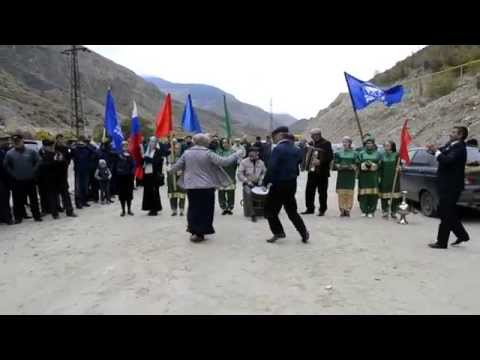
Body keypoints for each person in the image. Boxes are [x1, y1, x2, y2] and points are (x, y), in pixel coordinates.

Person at [168, 133, 243, 243]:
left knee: (193, 208)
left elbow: (176, 167)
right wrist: (237, 154)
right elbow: (224, 162)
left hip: (192, 186)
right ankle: (201, 232)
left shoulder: (187, 153)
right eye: (208, 141)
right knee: (206, 210)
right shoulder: (208, 153)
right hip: (206, 187)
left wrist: (170, 170)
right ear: (204, 142)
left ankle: (193, 230)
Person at [263, 127, 309, 244]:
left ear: (279, 136)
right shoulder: (296, 148)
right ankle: (304, 233)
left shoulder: (278, 149)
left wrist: (265, 182)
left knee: (269, 210)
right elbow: (299, 162)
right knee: (291, 210)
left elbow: (271, 167)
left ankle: (278, 232)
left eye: (274, 137)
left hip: (278, 184)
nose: (273, 139)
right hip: (291, 183)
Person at [427, 126, 470, 249]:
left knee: (445, 213)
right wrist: (431, 150)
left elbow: (447, 160)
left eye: (453, 132)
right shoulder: (450, 145)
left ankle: (442, 242)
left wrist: (436, 152)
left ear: (460, 135)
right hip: (445, 185)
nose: (450, 134)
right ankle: (462, 235)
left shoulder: (460, 147)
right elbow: (440, 152)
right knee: (445, 211)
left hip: (452, 186)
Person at [3, 133, 42, 223]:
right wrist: (12, 173)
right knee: (17, 200)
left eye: (18, 141)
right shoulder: (9, 153)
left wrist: (34, 170)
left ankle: (37, 216)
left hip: (30, 179)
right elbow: (6, 165)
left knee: (33, 199)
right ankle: (18, 217)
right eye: (14, 141)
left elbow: (39, 160)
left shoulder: (31, 151)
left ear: (22, 141)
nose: (16, 143)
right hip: (17, 181)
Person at [37, 139, 76, 219]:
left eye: (52, 146)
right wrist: (54, 162)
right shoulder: (43, 156)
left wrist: (60, 162)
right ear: (45, 147)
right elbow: (42, 168)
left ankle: (69, 211)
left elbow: (65, 165)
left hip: (61, 179)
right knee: (53, 197)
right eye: (49, 146)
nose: (51, 148)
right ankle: (55, 213)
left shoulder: (58, 154)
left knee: (65, 196)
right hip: (50, 180)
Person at [301, 128, 334, 216]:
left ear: (319, 134)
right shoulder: (310, 144)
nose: (314, 137)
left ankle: (322, 209)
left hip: (323, 172)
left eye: (316, 135)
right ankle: (310, 208)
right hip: (312, 172)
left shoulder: (326, 143)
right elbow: (306, 154)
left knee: (322, 192)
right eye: (312, 136)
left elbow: (330, 156)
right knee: (309, 191)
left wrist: (320, 161)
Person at [237, 146, 266, 222]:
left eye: (257, 154)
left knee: (267, 191)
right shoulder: (244, 162)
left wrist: (261, 179)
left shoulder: (261, 162)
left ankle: (265, 211)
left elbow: (264, 172)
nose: (256, 156)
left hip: (259, 183)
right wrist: (247, 181)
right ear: (250, 153)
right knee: (248, 193)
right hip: (248, 183)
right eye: (253, 154)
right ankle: (252, 214)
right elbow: (239, 174)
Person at [357, 136, 382, 218]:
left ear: (373, 144)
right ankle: (364, 210)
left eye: (370, 143)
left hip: (373, 176)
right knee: (363, 194)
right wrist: (364, 164)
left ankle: (371, 210)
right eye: (367, 143)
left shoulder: (378, 153)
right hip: (363, 176)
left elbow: (380, 163)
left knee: (373, 194)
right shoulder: (361, 153)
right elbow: (357, 162)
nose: (369, 144)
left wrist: (373, 165)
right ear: (365, 144)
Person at [333, 136, 357, 217]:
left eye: (346, 142)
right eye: (343, 142)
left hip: (350, 175)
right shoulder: (338, 153)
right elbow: (336, 162)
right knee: (341, 193)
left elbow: (357, 162)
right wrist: (339, 166)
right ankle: (342, 209)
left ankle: (348, 209)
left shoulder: (354, 153)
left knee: (349, 193)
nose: (344, 144)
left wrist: (353, 166)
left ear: (350, 143)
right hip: (342, 175)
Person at [141, 137, 164, 216]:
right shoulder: (147, 152)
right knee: (148, 191)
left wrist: (147, 159)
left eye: (153, 142)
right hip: (147, 174)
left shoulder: (158, 151)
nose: (152, 143)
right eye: (150, 141)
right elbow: (143, 163)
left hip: (154, 175)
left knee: (154, 192)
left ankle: (155, 209)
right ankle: (149, 208)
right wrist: (142, 159)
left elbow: (157, 162)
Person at [379, 140, 401, 219]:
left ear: (392, 146)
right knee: (384, 196)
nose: (386, 147)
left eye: (388, 145)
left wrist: (399, 168)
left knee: (395, 196)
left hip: (394, 178)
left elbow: (401, 165)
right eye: (385, 146)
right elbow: (380, 167)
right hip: (384, 178)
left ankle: (393, 211)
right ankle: (385, 211)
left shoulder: (397, 155)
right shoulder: (381, 155)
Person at [71, 136, 95, 209]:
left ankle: (84, 201)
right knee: (78, 187)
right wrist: (75, 146)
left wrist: (87, 146)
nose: (81, 143)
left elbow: (94, 151)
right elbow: (71, 154)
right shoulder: (75, 149)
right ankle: (78, 203)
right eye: (80, 141)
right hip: (78, 171)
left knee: (85, 186)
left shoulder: (87, 149)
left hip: (86, 170)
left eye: (84, 141)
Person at [217, 138, 238, 215]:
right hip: (221, 175)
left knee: (231, 192)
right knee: (221, 193)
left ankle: (230, 207)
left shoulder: (233, 152)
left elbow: (236, 164)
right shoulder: (220, 153)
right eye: (223, 143)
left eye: (226, 143)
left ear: (229, 144)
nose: (224, 144)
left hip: (231, 175)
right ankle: (223, 207)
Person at [115, 141, 135, 217]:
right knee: (122, 195)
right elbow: (116, 165)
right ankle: (123, 210)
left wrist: (132, 172)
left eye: (126, 145)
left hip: (129, 177)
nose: (125, 147)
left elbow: (133, 164)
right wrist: (119, 170)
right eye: (123, 145)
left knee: (129, 194)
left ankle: (129, 209)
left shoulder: (130, 154)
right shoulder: (118, 154)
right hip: (121, 177)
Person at [167, 139, 186, 216]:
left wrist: (182, 170)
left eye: (178, 148)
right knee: (172, 194)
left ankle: (181, 210)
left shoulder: (184, 156)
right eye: (175, 148)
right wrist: (170, 169)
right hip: (172, 177)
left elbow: (186, 166)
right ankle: (174, 210)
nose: (177, 149)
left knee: (181, 194)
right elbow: (167, 167)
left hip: (181, 177)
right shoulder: (170, 156)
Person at [55, 134, 73, 212]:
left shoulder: (66, 148)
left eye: (61, 139)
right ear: (56, 139)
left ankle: (67, 207)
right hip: (54, 171)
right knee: (56, 191)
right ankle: (58, 206)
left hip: (63, 171)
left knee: (65, 190)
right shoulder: (54, 147)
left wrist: (66, 164)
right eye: (59, 139)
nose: (60, 140)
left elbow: (69, 157)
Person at [0, 136, 13, 225]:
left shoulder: (6, 151)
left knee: (5, 198)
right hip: (1, 179)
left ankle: (5, 217)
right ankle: (6, 218)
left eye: (7, 141)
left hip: (6, 179)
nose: (7, 143)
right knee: (3, 199)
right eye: (4, 141)